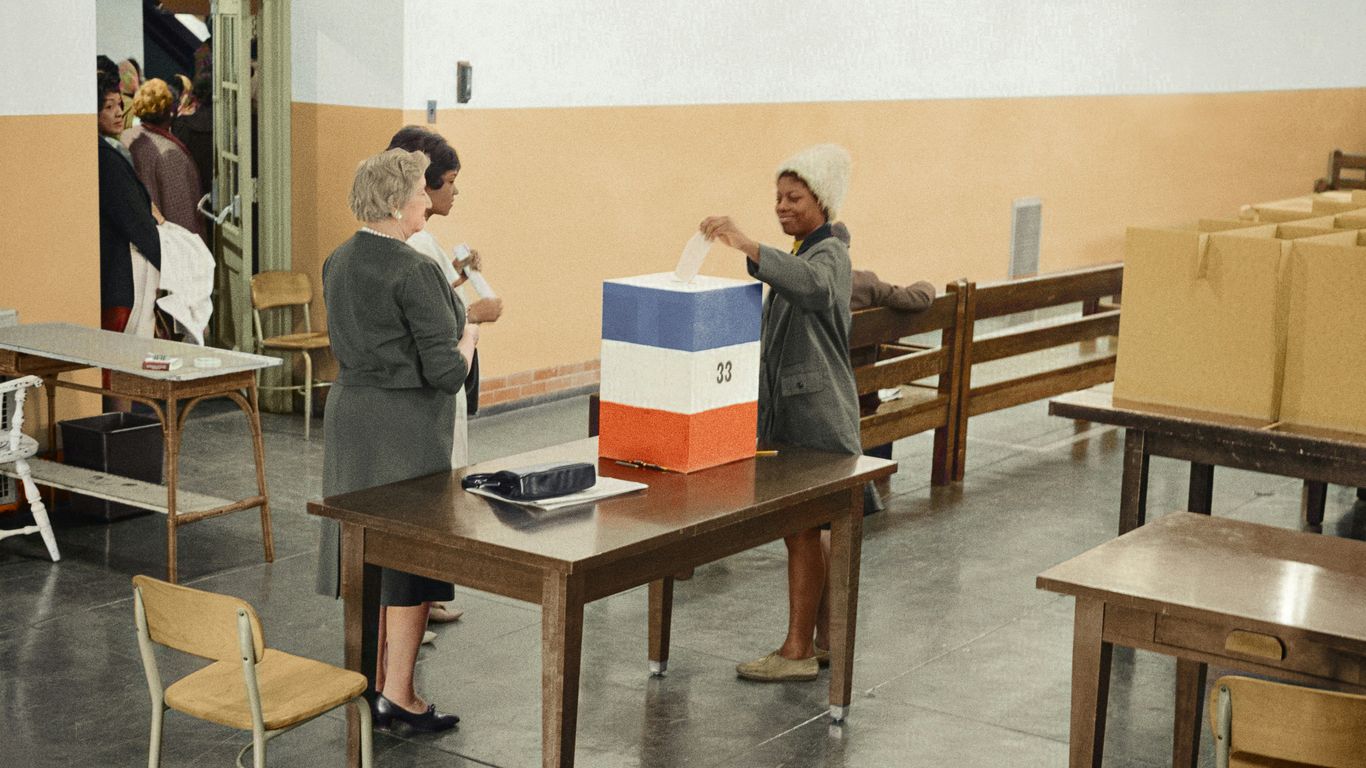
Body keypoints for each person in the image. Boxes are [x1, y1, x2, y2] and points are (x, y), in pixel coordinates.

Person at [316, 148, 477, 732]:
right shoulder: (415, 269)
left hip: (351, 416)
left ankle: (367, 680)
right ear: (393, 201)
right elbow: (446, 372)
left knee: (364, 553)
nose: (424, 201)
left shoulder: (338, 260)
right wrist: (471, 338)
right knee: (408, 558)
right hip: (405, 429)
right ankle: (400, 693)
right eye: (416, 192)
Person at [700, 144, 860, 682]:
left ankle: (795, 652)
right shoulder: (807, 251)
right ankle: (824, 640)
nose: (783, 206)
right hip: (804, 418)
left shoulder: (828, 255)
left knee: (802, 531)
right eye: (778, 198)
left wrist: (747, 244)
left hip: (817, 420)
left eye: (794, 197)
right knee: (810, 529)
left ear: (823, 199)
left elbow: (811, 287)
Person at [384, 126, 504, 629]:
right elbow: (444, 321)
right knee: (434, 494)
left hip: (414, 389)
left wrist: (456, 282)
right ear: (422, 186)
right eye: (447, 182)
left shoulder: (405, 244)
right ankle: (415, 603)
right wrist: (477, 314)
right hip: (434, 383)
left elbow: (432, 298)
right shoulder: (418, 240)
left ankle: (419, 601)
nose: (451, 194)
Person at [97, 70, 162, 335]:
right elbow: (134, 219)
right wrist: (165, 255)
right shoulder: (106, 159)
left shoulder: (107, 152)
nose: (117, 113)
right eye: (108, 106)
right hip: (118, 278)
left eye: (119, 105)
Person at [124, 79, 205, 239]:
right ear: (172, 110)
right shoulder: (169, 152)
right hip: (167, 244)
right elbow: (182, 216)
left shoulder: (129, 136)